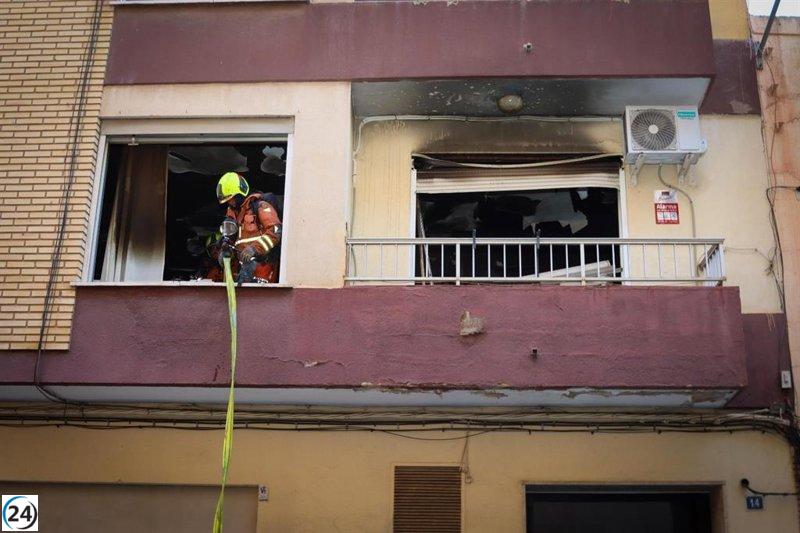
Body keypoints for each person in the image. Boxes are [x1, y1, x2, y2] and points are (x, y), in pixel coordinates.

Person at [215, 172, 281, 283]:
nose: (230, 203)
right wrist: (225, 253)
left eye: (232, 199)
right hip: (243, 268)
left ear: (240, 194)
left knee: (259, 298)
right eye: (227, 201)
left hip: (263, 264)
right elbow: (232, 241)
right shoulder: (233, 215)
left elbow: (275, 231)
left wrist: (254, 249)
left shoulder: (260, 206)